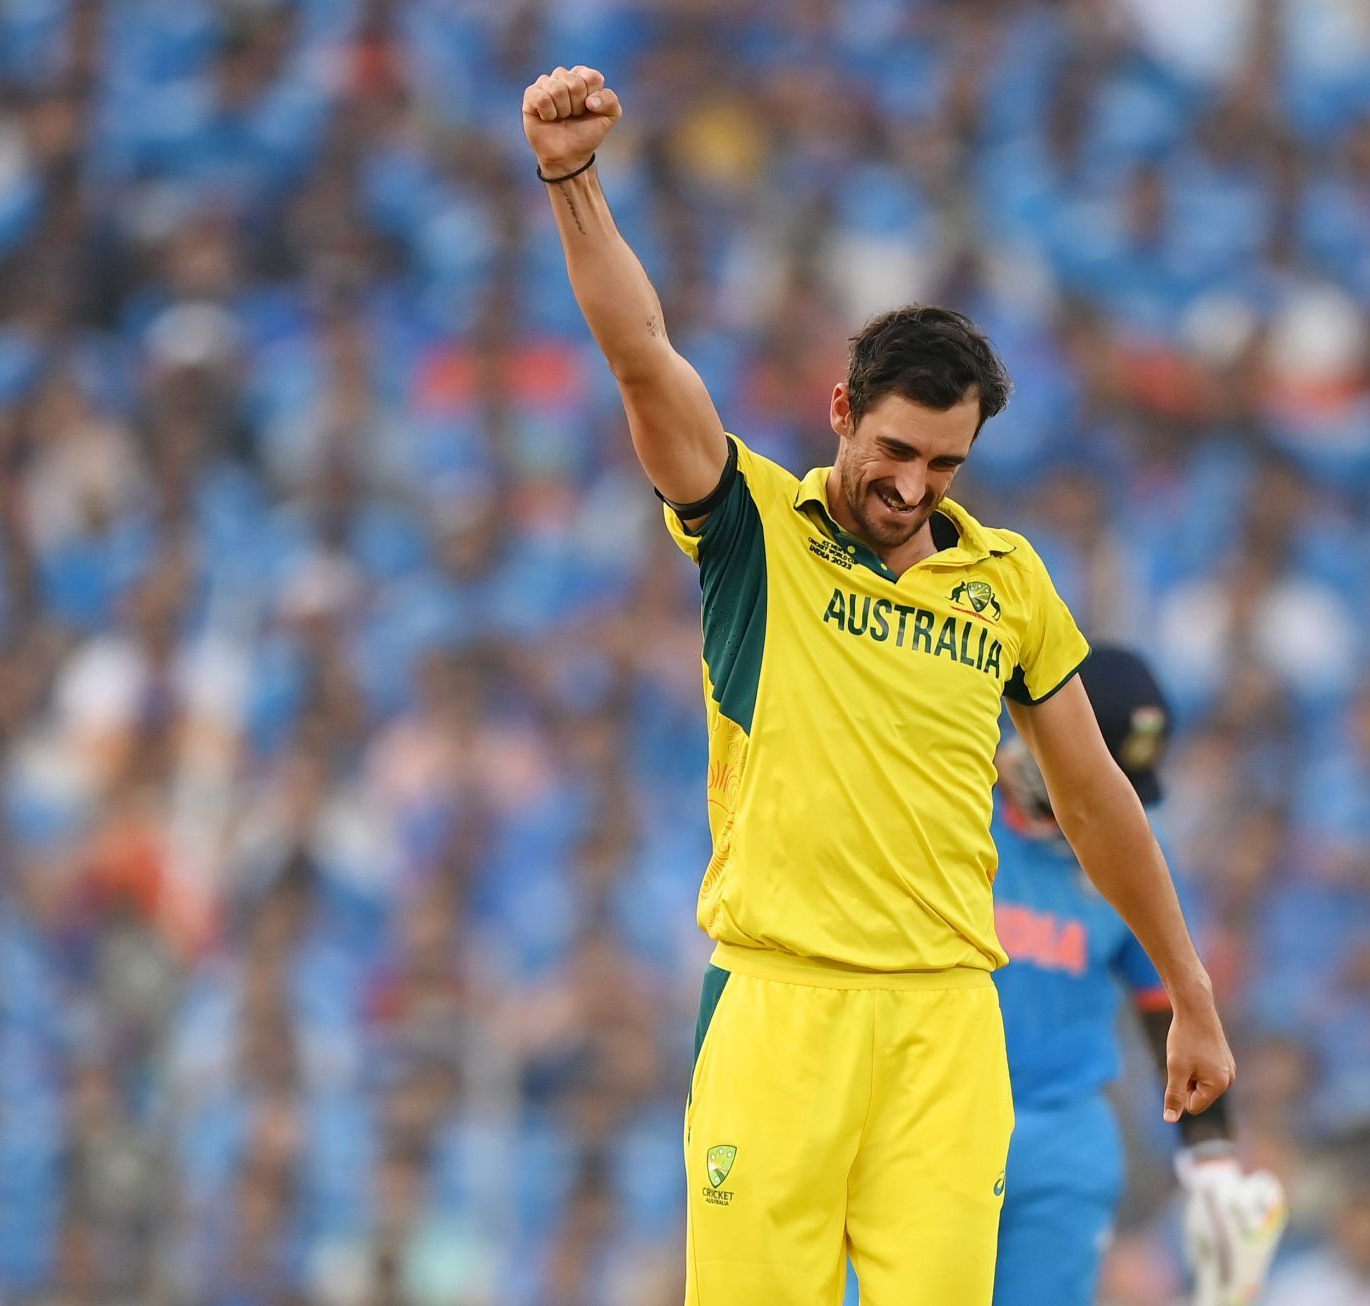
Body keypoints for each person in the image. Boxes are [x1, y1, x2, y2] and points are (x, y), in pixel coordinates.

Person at [520, 67, 1234, 1306]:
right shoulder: (755, 527)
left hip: (947, 1026)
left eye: (945, 463)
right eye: (894, 449)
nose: (913, 485)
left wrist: (1195, 994)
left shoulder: (1008, 583)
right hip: (781, 1004)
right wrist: (573, 180)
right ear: (843, 410)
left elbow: (1100, 797)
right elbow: (643, 359)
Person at [989, 645, 1285, 1306]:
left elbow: (1176, 1016)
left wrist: (1214, 1165)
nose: (1114, 806)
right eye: (1104, 782)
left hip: (1060, 1135)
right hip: (927, 1119)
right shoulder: (947, 804)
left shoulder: (1134, 850)